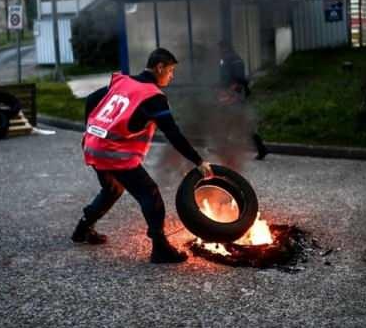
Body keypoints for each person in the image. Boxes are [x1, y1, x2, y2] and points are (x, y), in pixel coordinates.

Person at [73, 48, 214, 264]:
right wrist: (198, 161)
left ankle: (82, 229)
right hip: (114, 154)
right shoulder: (153, 97)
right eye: (171, 70)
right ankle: (160, 248)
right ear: (160, 67)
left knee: (112, 189)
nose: (172, 75)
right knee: (150, 194)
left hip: (93, 146)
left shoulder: (123, 82)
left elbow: (92, 98)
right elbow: (173, 133)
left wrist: (91, 128)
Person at [217, 41, 268, 160]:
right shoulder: (230, 59)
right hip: (233, 94)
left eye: (220, 49)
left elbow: (238, 78)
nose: (218, 52)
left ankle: (223, 148)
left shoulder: (232, 59)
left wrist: (231, 91)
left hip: (234, 95)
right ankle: (261, 148)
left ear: (225, 48)